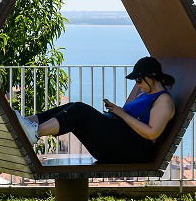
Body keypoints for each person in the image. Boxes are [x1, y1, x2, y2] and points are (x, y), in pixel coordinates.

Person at [15, 56, 176, 164]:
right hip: (120, 141)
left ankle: (35, 132)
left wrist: (122, 114)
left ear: (152, 76)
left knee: (80, 110)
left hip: (132, 150)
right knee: (72, 106)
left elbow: (152, 133)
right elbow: (128, 114)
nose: (138, 83)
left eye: (139, 79)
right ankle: (27, 122)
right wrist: (116, 110)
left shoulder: (164, 100)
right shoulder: (145, 93)